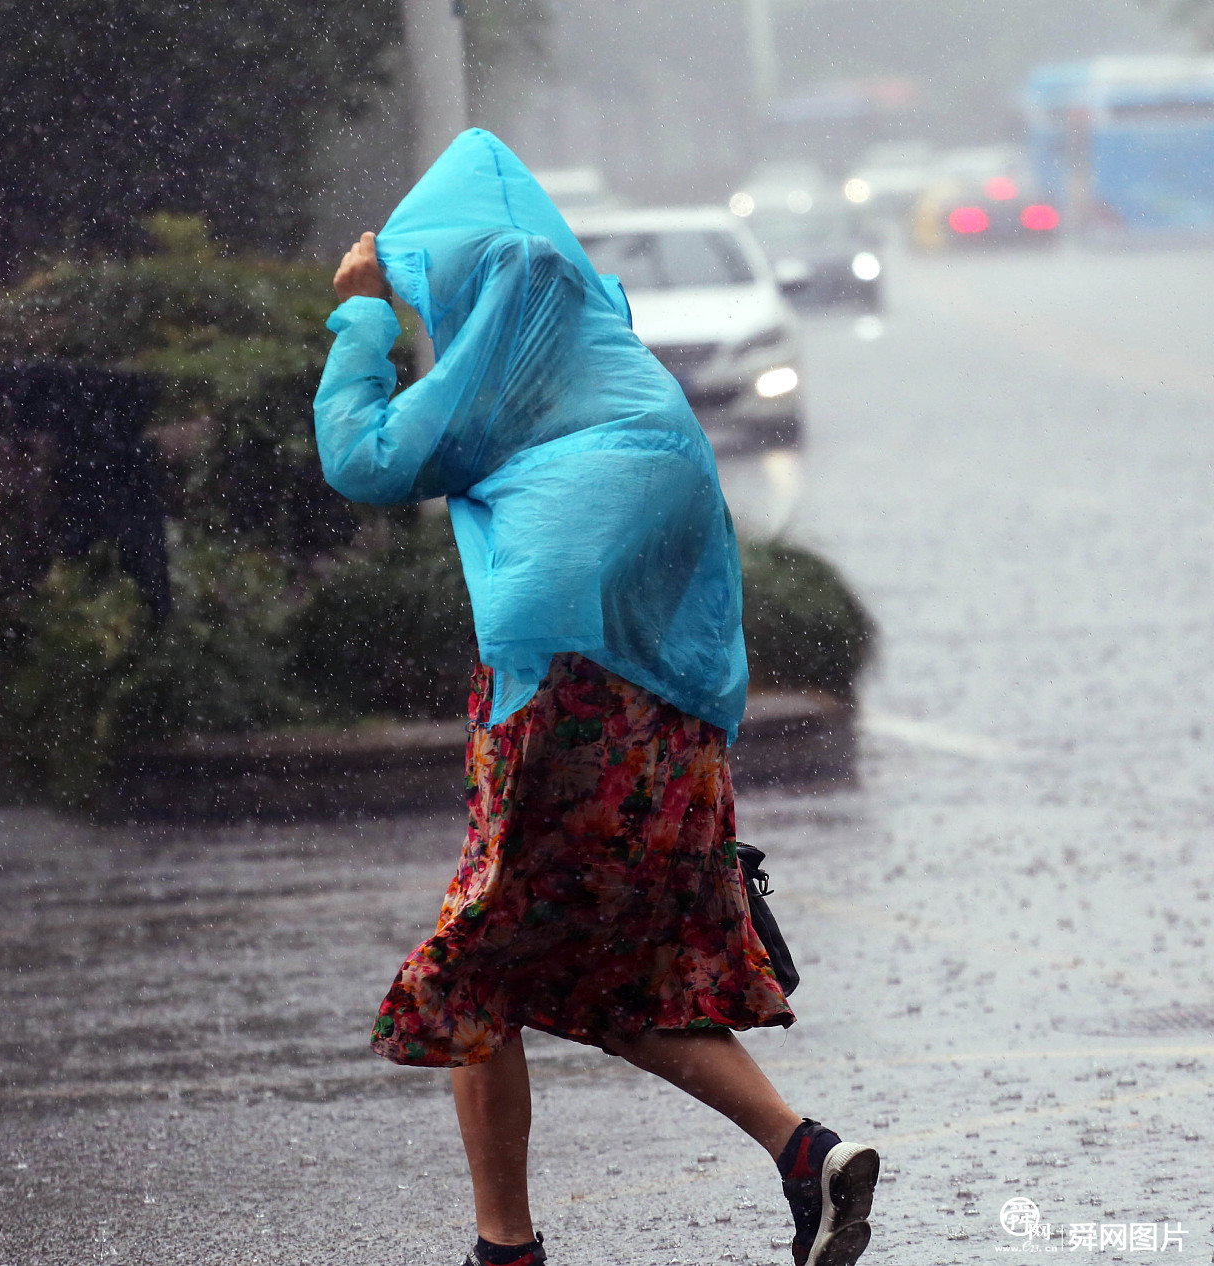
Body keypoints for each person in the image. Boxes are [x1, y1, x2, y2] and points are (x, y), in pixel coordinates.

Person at [313, 131, 879, 1266]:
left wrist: (365, 318)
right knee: (626, 976)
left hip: (550, 710)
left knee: (473, 970)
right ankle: (801, 1155)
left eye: (444, 294)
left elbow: (362, 461)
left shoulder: (490, 383)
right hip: (672, 729)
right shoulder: (633, 383)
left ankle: (504, 1251)